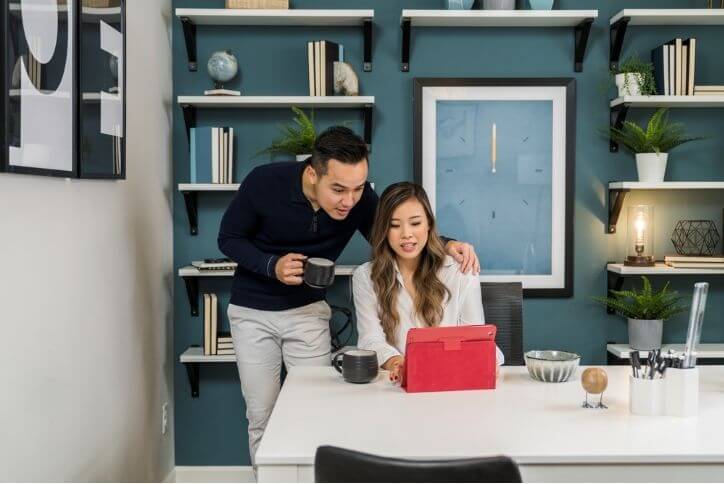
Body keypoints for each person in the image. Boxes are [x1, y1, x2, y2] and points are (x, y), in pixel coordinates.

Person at [218, 127, 480, 464]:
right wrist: (272, 265)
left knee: (316, 411)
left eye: (358, 189)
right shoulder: (264, 183)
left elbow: (398, 231)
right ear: (313, 174)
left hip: (308, 310)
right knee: (262, 414)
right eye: (339, 189)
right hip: (252, 312)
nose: (349, 201)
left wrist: (449, 245)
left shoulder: (357, 201)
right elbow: (228, 238)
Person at [353, 182, 504, 383]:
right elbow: (370, 339)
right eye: (394, 225)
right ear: (384, 229)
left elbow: (476, 338)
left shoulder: (461, 272)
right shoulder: (365, 276)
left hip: (455, 381)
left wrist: (482, 359)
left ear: (429, 225)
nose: (406, 234)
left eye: (415, 223)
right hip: (398, 388)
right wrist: (399, 363)